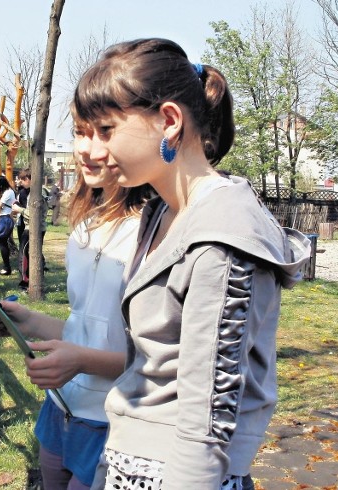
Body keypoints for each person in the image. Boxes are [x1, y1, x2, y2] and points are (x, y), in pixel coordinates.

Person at [68, 38, 311, 490]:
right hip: (131, 458)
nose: (92, 151)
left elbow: (207, 423)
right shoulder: (164, 212)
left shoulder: (223, 235)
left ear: (169, 121)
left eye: (106, 129)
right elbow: (153, 361)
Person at [0, 148, 150, 489]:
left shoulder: (158, 236)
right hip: (58, 412)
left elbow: (162, 361)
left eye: (104, 131)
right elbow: (85, 328)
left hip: (115, 422)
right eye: (80, 131)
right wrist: (26, 320)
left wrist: (83, 362)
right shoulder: (85, 230)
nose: (86, 147)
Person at [12, 168, 48, 289]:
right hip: (35, 227)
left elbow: (33, 214)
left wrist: (19, 209)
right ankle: (33, 280)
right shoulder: (35, 191)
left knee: (25, 255)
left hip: (32, 228)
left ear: (31, 179)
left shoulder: (37, 193)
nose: (21, 182)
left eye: (24, 179)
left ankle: (26, 281)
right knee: (32, 254)